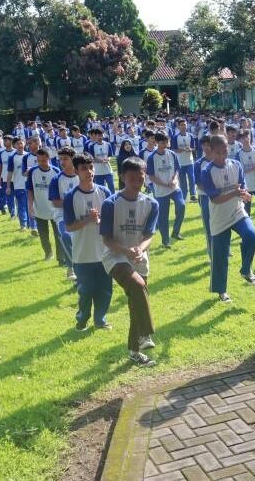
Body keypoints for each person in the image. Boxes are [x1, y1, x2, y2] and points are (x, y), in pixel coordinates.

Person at [99, 157, 158, 367]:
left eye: (140, 178)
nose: (136, 183)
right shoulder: (110, 204)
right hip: (115, 256)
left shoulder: (151, 203)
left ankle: (135, 351)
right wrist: (126, 251)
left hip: (139, 257)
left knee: (137, 304)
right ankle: (146, 335)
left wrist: (140, 250)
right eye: (132, 178)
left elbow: (149, 234)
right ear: (122, 177)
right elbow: (106, 239)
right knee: (137, 285)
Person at [200, 135, 255, 302]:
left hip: (237, 212)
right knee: (220, 256)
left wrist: (245, 194)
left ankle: (246, 270)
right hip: (219, 217)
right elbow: (215, 199)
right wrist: (234, 192)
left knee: (252, 236)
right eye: (218, 153)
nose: (222, 155)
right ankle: (221, 292)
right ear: (211, 152)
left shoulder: (236, 165)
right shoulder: (207, 171)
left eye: (225, 151)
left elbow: (242, 187)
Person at [64, 154, 114, 331]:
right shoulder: (71, 196)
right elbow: (69, 227)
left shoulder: (105, 192)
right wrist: (88, 219)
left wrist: (103, 221)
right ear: (76, 171)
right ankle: (82, 319)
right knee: (85, 291)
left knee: (105, 290)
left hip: (104, 252)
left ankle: (100, 319)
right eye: (84, 168)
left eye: (90, 167)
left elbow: (112, 220)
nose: (89, 172)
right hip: (82, 254)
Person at [146, 132, 186, 247]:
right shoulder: (152, 157)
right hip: (161, 191)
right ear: (156, 142)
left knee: (181, 205)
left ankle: (176, 232)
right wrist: (164, 184)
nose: (165, 144)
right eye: (162, 142)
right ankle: (165, 240)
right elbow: (151, 176)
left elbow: (177, 169)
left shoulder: (172, 154)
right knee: (163, 216)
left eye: (166, 142)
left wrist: (173, 180)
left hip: (174, 187)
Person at [27, 148, 64, 263]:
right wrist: (30, 206)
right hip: (39, 209)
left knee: (59, 235)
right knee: (43, 235)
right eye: (39, 161)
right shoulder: (32, 172)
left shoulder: (56, 171)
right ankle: (48, 253)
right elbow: (30, 190)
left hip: (55, 209)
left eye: (44, 160)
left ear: (49, 158)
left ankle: (61, 258)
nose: (41, 163)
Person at [49, 147, 80, 280]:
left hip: (81, 214)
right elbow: (55, 203)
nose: (62, 162)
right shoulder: (56, 179)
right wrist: (74, 201)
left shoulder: (82, 176)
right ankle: (71, 267)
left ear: (73, 159)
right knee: (66, 236)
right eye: (60, 159)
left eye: (65, 159)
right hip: (62, 216)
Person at [87, 128, 115, 193]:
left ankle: (113, 199)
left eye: (101, 135)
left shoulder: (108, 144)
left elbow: (110, 155)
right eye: (98, 135)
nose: (100, 137)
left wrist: (108, 159)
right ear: (95, 136)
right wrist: (100, 160)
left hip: (108, 169)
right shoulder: (92, 146)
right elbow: (91, 158)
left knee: (111, 185)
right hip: (98, 171)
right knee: (101, 188)